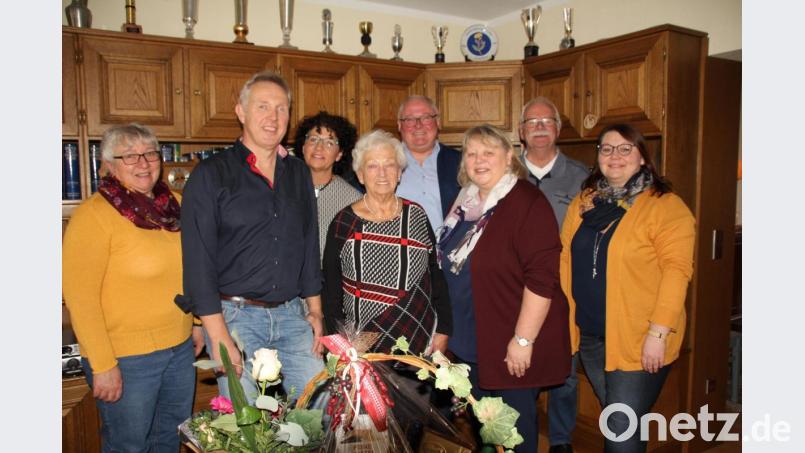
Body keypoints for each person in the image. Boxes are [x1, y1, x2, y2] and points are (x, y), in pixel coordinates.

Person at [175, 71, 325, 404]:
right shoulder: (210, 174)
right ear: (241, 112)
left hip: (291, 314)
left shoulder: (298, 173)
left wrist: (316, 312)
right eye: (262, 106)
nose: (273, 117)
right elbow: (198, 265)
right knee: (248, 426)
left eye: (282, 108)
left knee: (319, 410)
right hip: (235, 319)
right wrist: (218, 335)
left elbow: (308, 245)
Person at [63, 123, 203, 452]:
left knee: (170, 440)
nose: (143, 162)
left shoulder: (178, 205)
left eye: (150, 153)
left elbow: (197, 269)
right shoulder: (94, 215)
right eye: (129, 156)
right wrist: (103, 365)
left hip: (180, 349)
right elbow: (80, 299)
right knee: (128, 446)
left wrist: (196, 324)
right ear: (108, 165)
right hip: (125, 359)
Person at [560, 124, 695, 452]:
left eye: (625, 149)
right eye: (606, 149)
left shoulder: (666, 207)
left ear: (643, 159)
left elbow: (677, 272)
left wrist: (658, 334)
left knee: (620, 428)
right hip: (591, 335)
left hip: (639, 340)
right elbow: (564, 259)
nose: (614, 156)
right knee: (623, 420)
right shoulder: (584, 203)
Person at [438, 124, 570, 453]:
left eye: (488, 152)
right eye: (471, 153)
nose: (479, 160)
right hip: (471, 339)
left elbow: (542, 279)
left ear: (509, 157)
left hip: (508, 342)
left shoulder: (527, 202)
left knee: (515, 433)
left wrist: (523, 340)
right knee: (489, 431)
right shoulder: (465, 202)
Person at [322, 129, 451, 354]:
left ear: (400, 173)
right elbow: (331, 289)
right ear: (360, 175)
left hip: (418, 340)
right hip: (362, 345)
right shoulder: (344, 222)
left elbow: (435, 274)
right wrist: (338, 343)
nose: (382, 173)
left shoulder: (417, 215)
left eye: (390, 165)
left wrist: (444, 328)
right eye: (372, 166)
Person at [519, 96, 589, 453]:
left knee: (566, 368)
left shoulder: (582, 177)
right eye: (532, 122)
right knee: (520, 362)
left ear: (558, 129)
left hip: (565, 290)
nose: (540, 127)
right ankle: (523, 431)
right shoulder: (505, 172)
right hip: (516, 291)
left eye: (547, 121)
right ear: (521, 132)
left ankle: (561, 440)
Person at [293, 111, 362, 266]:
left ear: (339, 154)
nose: (319, 147)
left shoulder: (353, 200)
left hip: (332, 284)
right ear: (303, 147)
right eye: (313, 139)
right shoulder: (284, 189)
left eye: (329, 142)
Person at [396, 95, 462, 232]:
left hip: (446, 250)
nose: (418, 125)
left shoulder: (461, 162)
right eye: (409, 119)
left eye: (426, 118)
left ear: (437, 122)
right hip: (397, 250)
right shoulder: (384, 163)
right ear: (399, 125)